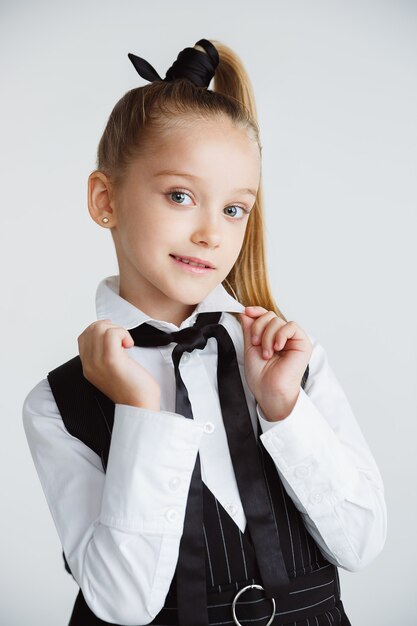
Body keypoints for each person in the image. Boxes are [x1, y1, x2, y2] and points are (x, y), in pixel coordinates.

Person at [22, 38, 386, 626]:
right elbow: (120, 603)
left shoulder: (288, 360)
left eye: (234, 209)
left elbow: (362, 543)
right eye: (180, 196)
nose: (211, 234)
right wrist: (140, 410)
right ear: (104, 199)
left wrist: (286, 411)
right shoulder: (55, 405)